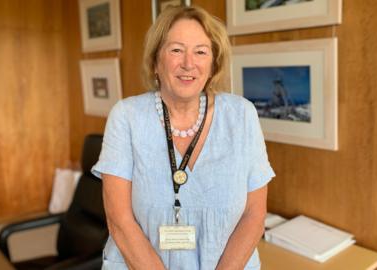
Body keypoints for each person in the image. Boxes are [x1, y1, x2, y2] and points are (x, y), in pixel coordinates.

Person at [92, 5, 275, 270]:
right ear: (156, 61)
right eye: (176, 50)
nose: (188, 63)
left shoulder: (242, 115)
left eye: (200, 52)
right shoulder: (127, 116)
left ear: (213, 65)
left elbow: (254, 214)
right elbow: (119, 220)